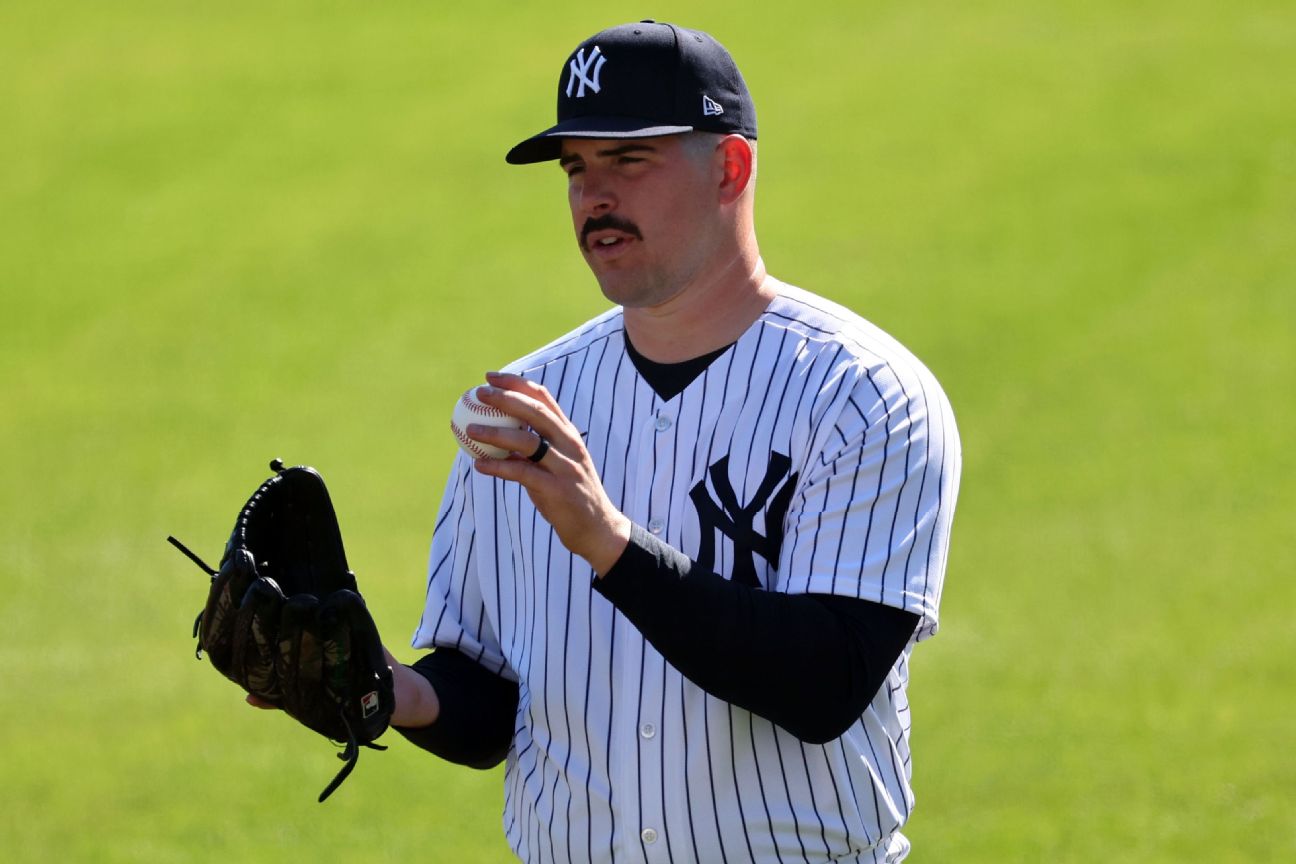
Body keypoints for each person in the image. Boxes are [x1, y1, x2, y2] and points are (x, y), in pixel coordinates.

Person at [370, 20, 957, 863]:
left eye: (628, 161)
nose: (593, 196)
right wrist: (385, 691)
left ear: (730, 168)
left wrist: (607, 543)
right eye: (577, 168)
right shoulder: (524, 409)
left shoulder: (863, 395)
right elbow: (494, 700)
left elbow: (825, 685)